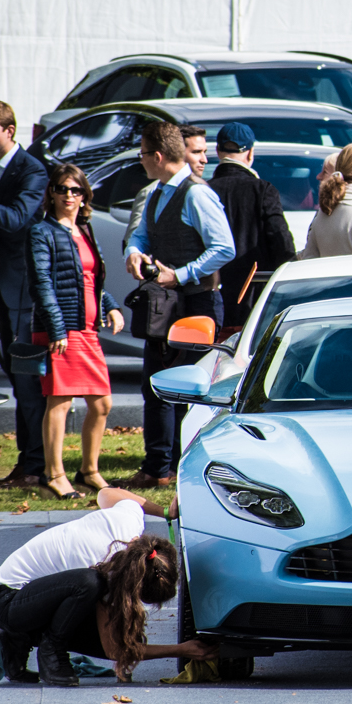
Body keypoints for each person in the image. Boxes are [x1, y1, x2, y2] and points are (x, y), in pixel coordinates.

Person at [0, 486, 211, 686]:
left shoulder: (129, 522)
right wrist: (181, 650)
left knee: (109, 616)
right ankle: (52, 651)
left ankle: (17, 640)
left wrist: (165, 511)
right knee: (90, 584)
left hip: (30, 596)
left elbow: (105, 493)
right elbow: (115, 649)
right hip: (8, 601)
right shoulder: (106, 571)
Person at [123, 121, 234, 490]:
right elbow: (139, 233)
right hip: (163, 304)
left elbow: (224, 248)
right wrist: (134, 252)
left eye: (141, 154)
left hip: (196, 302)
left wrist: (181, 274)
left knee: (187, 389)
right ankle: (159, 466)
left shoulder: (196, 194)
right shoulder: (156, 192)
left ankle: (181, 465)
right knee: (156, 385)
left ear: (157, 156)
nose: (140, 161)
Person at [26, 164, 124, 498]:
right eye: (62, 189)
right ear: (51, 193)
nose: (69, 196)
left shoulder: (85, 229)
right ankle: (53, 474)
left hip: (87, 329)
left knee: (102, 404)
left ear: (84, 196)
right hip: (61, 329)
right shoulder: (42, 232)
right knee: (60, 401)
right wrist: (57, 328)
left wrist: (109, 304)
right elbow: (41, 284)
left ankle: (89, 471)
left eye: (76, 190)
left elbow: (91, 278)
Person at [0, 101, 50, 490]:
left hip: (21, 295)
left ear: (9, 130)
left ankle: (36, 465)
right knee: (15, 383)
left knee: (28, 383)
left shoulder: (32, 170)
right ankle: (25, 464)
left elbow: (16, 219)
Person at [207, 122, 296, 325]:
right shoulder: (262, 189)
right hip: (254, 297)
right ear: (250, 153)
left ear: (218, 150)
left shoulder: (201, 190)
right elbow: (281, 239)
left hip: (208, 297)